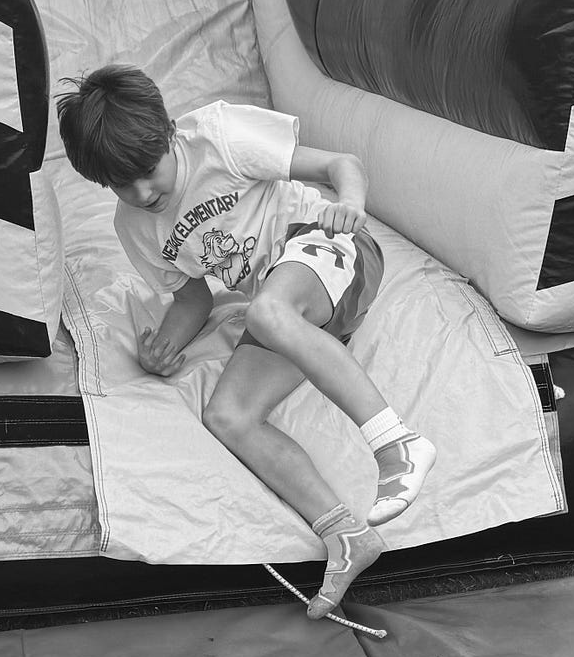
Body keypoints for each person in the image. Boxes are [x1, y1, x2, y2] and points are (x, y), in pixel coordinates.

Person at [56, 64, 435, 618]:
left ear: (168, 133)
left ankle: (396, 443)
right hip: (289, 312)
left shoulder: (219, 137)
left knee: (267, 310)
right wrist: (163, 348)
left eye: (148, 170)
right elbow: (193, 299)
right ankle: (345, 535)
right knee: (228, 415)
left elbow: (340, 164)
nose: (142, 192)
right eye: (120, 184)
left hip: (331, 248)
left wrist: (350, 205)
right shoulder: (134, 226)